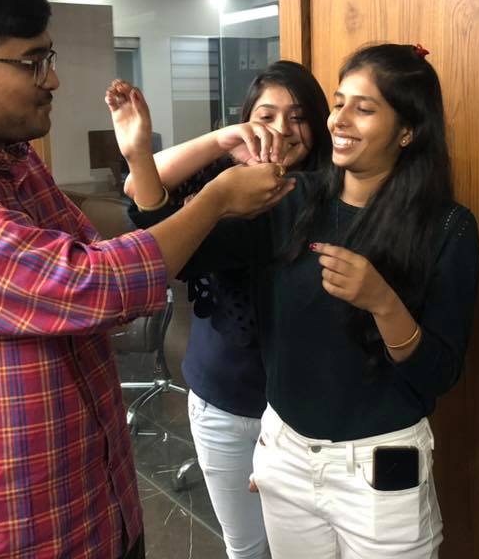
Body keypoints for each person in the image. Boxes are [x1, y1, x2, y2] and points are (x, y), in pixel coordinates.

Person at [0, 0, 294, 559]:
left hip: (93, 502)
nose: (52, 80)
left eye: (48, 59)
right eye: (32, 63)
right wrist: (217, 199)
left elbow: (101, 261)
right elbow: (91, 284)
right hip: (3, 526)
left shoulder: (14, 162)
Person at [111, 43, 479, 558]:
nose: (339, 121)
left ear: (407, 130)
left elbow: (438, 373)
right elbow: (185, 256)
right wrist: (139, 157)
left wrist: (384, 303)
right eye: (339, 103)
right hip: (285, 456)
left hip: (380, 467)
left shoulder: (447, 228)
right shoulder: (292, 197)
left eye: (364, 108)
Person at [120, 62, 331, 558]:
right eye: (266, 116)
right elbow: (143, 196)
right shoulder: (223, 184)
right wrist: (220, 140)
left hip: (309, 414)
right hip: (227, 403)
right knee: (247, 547)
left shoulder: (335, 194)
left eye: (298, 116)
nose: (282, 129)